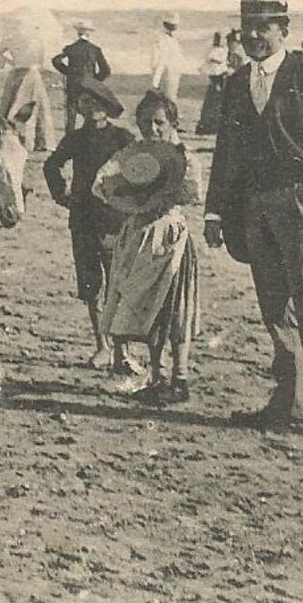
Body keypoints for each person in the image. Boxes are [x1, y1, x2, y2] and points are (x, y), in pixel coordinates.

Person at [205, 0, 303, 441]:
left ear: (283, 30)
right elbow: (226, 152)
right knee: (275, 307)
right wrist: (215, 210)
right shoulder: (236, 83)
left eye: (262, 28)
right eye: (246, 28)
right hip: (254, 209)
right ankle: (291, 405)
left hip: (301, 206)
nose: (252, 36)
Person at [92, 91, 203, 405]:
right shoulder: (133, 154)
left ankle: (180, 377)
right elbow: (103, 183)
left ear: (172, 123)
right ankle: (158, 375)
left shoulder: (184, 156)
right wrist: (126, 197)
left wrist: (162, 196)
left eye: (158, 122)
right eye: (145, 123)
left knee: (174, 308)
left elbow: (191, 191)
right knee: (148, 308)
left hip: (169, 236)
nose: (152, 129)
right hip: (138, 235)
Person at [42, 76, 134, 372]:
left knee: (119, 285)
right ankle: (102, 346)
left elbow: (142, 171)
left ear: (108, 108)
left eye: (98, 103)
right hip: (82, 219)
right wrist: (61, 193)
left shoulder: (123, 139)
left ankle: (122, 350)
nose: (92, 107)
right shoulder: (75, 139)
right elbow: (51, 165)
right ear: (79, 107)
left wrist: (131, 202)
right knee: (91, 285)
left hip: (115, 221)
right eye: (85, 102)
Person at [0, 14, 56, 152]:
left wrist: (10, 62)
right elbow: (42, 61)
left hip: (17, 74)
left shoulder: (10, 39)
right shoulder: (37, 40)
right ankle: (39, 142)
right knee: (37, 107)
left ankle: (11, 139)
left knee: (11, 106)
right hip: (33, 75)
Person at [51, 19, 112, 134]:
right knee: (89, 112)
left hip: (73, 83)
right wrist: (95, 80)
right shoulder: (95, 49)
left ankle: (69, 142)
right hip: (89, 84)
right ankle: (89, 141)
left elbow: (56, 60)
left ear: (78, 33)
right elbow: (106, 70)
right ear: (89, 33)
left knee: (71, 113)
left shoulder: (71, 48)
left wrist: (68, 72)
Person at [196, 30, 230, 135]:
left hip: (221, 76)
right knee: (213, 101)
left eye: (221, 39)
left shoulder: (224, 50)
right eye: (218, 38)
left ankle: (215, 125)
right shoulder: (213, 50)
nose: (220, 41)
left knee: (217, 102)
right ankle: (208, 125)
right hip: (216, 77)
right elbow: (210, 60)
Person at [149, 11, 186, 104]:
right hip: (167, 74)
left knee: (171, 97)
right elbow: (159, 61)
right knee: (168, 98)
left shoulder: (171, 39)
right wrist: (155, 81)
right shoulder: (162, 39)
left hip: (172, 73)